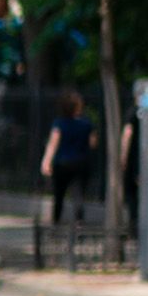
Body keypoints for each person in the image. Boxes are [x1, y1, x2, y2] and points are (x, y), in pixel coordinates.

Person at [40, 90, 95, 227]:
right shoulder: (86, 124)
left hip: (62, 162)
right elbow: (93, 143)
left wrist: (46, 161)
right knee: (78, 194)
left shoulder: (60, 123)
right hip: (81, 162)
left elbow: (53, 142)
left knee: (59, 194)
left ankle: (56, 222)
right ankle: (79, 222)